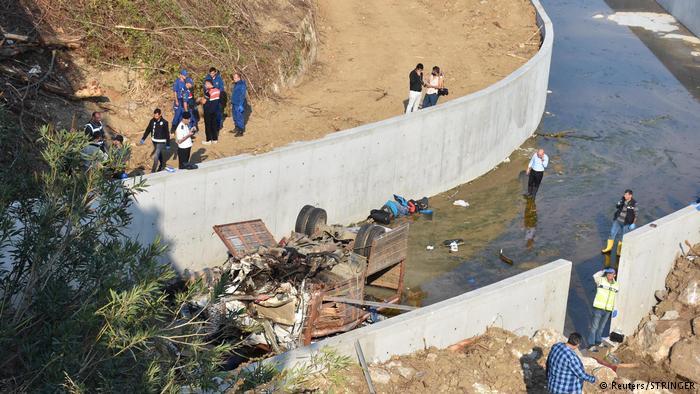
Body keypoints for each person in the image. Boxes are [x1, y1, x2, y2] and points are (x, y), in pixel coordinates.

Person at [587, 267, 619, 351]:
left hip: (608, 310)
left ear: (614, 275)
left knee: (601, 327)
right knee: (594, 327)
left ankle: (598, 341)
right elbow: (594, 276)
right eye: (608, 273)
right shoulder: (600, 280)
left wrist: (614, 309)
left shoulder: (616, 285)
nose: (609, 275)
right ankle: (591, 345)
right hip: (599, 308)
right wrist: (603, 271)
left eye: (611, 273)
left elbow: (615, 297)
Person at [601, 190, 637, 255]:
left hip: (627, 223)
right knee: (612, 233)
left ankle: (619, 251)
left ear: (630, 195)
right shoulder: (622, 199)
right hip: (618, 220)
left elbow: (636, 214)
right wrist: (618, 203)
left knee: (622, 237)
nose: (624, 196)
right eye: (624, 194)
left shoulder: (634, 203)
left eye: (626, 195)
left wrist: (633, 223)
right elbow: (617, 207)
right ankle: (608, 248)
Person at [140, 108, 170, 173]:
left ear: (160, 115)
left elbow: (167, 133)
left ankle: (153, 171)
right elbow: (148, 130)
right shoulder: (152, 121)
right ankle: (162, 163)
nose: (155, 117)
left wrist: (168, 144)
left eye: (157, 116)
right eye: (154, 115)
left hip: (161, 141)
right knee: (158, 153)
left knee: (156, 155)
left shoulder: (165, 122)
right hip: (154, 140)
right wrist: (143, 138)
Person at [202, 80, 221, 144]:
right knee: (214, 125)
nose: (205, 86)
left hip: (208, 110)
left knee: (208, 125)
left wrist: (200, 100)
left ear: (208, 84)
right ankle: (215, 139)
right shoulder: (217, 90)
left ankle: (208, 140)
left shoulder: (208, 92)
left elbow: (203, 101)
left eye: (205, 84)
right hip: (215, 110)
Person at [231, 72, 248, 136]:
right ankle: (237, 128)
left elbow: (242, 95)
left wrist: (241, 104)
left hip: (238, 103)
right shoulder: (236, 84)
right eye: (234, 78)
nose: (234, 79)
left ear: (239, 78)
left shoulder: (242, 84)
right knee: (235, 116)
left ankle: (241, 130)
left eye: (235, 78)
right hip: (234, 103)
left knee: (239, 117)